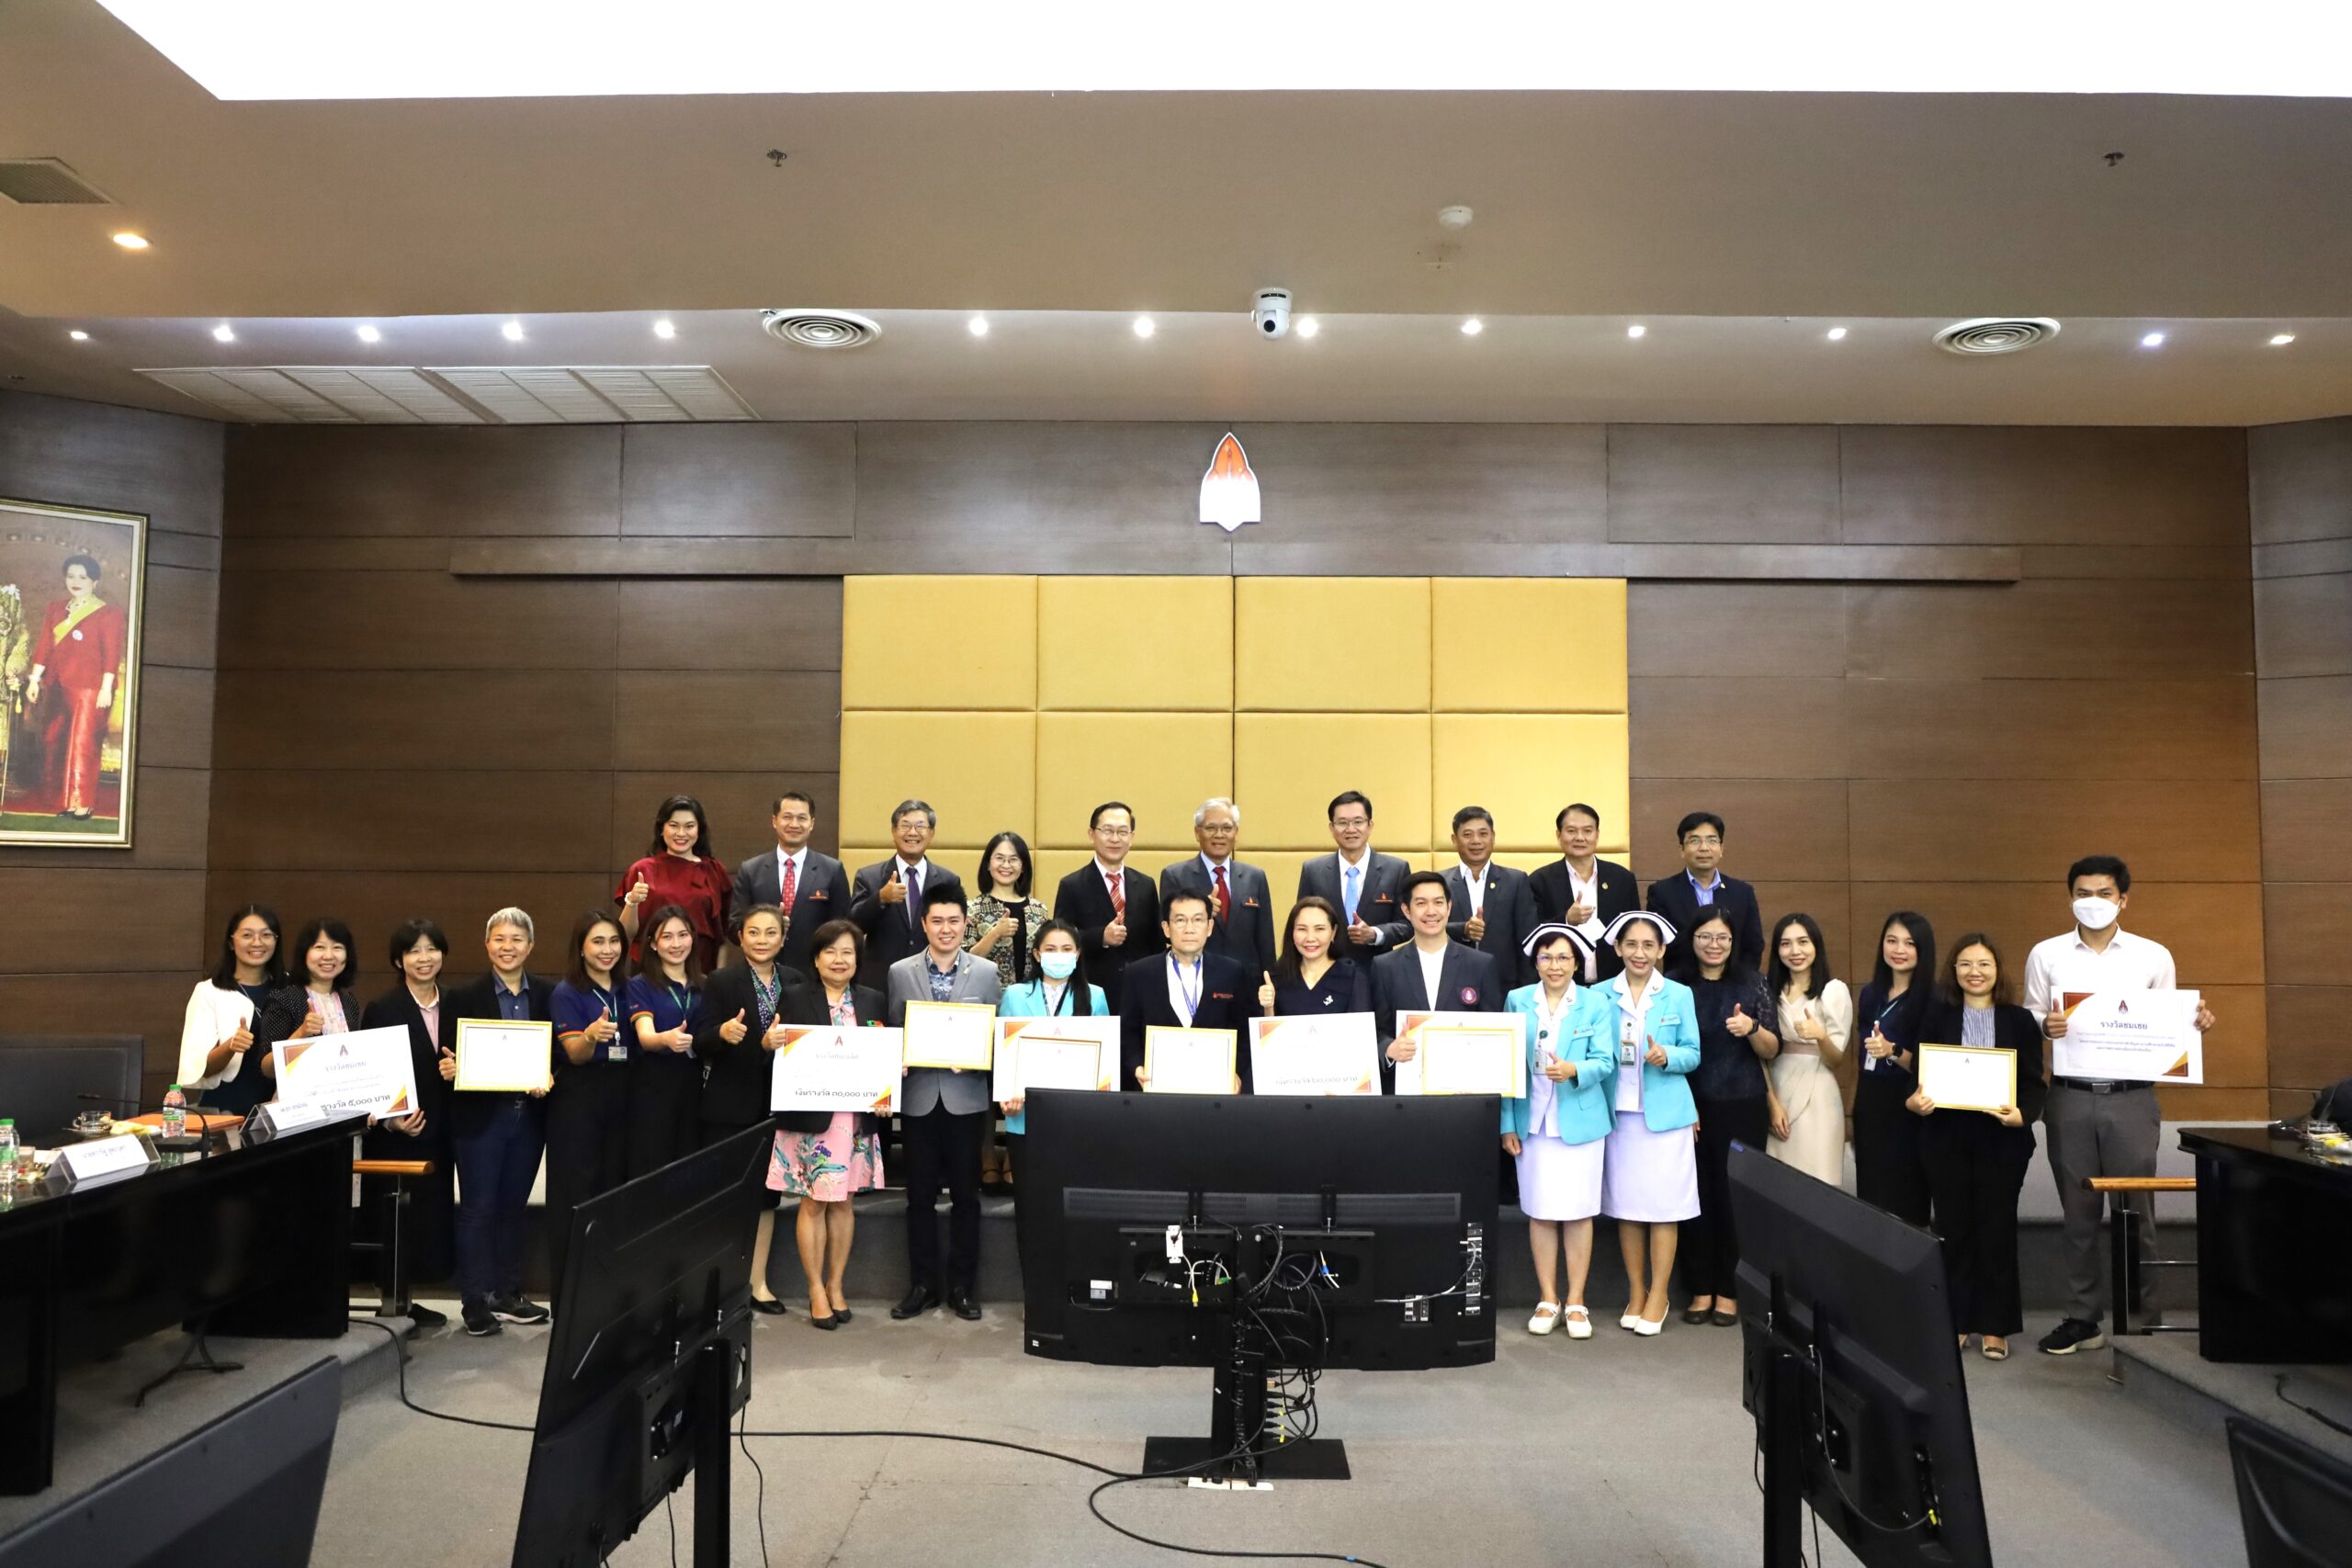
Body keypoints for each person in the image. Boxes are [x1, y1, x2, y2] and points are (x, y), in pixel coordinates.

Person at [2023, 855, 2215, 1356]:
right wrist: (2045, 1024)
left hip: (2131, 1099)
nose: (2093, 901)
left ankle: (2143, 1323)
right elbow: (2030, 1014)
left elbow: (2170, 1022)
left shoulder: (2152, 956)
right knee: (2078, 1214)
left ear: (2123, 899)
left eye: (2104, 893)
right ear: (2070, 898)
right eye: (2083, 893)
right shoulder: (2046, 954)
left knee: (2136, 1212)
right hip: (2069, 1096)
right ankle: (2082, 1318)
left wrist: (2195, 1023)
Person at [1911, 933, 2048, 1360]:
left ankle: (1994, 1325)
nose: (1975, 972)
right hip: (1946, 1138)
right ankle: (1956, 1321)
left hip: (2001, 1138)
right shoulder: (1937, 1016)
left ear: (1997, 970)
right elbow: (1920, 1075)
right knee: (1953, 1230)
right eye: (1966, 964)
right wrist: (1918, 1101)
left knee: (1996, 1230)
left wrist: (2023, 1114)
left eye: (1984, 964)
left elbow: (2033, 1081)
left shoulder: (2019, 1021)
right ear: (1954, 971)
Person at [886, 882, 1004, 1321]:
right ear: (924, 924)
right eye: (937, 921)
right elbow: (895, 1030)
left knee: (966, 1198)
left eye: (954, 920)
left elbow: (995, 1036)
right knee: (918, 1197)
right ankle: (922, 1285)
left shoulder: (986, 973)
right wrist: (896, 1061)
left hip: (966, 1099)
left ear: (966, 923)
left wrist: (975, 1057)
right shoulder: (900, 972)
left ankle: (962, 1287)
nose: (946, 928)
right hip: (918, 1098)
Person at [1501, 926, 1617, 1340]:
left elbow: (1606, 1062)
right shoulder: (1517, 999)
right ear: (1536, 962)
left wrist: (1574, 1070)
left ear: (1577, 963)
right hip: (1532, 1123)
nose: (1555, 965)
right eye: (1546, 957)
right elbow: (1506, 1065)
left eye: (1564, 957)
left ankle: (1577, 1300)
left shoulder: (1596, 1003)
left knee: (1579, 1212)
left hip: (1581, 1121)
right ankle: (1548, 1298)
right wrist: (1507, 1123)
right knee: (1541, 1211)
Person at [443, 908, 555, 1337]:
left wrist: (550, 1075)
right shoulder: (463, 996)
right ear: (487, 944)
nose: (508, 947)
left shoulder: (548, 994)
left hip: (529, 1117)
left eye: (517, 939)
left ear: (530, 946)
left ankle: (507, 1293)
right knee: (478, 1209)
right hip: (480, 1119)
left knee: (513, 1208)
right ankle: (474, 1301)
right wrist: (452, 1067)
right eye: (500, 939)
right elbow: (449, 1055)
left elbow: (558, 1052)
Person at [695, 904, 808, 1317]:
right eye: (754, 932)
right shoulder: (721, 981)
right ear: (740, 937)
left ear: (783, 938)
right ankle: (720, 1286)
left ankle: (758, 1284)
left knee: (765, 1199)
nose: (762, 940)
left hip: (778, 1105)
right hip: (730, 1107)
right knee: (726, 1198)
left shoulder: (796, 980)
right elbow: (701, 1040)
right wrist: (724, 1034)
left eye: (771, 932)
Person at [1595, 910, 1702, 1337]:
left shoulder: (1678, 994)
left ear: (1661, 950)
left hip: (1666, 1117)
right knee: (1628, 1208)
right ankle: (1636, 1291)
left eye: (1648, 946)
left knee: (1664, 1209)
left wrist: (1667, 1056)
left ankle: (1659, 1293)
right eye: (1631, 944)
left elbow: (1693, 1053)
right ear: (1618, 948)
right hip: (1620, 1115)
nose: (1639, 953)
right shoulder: (1599, 994)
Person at [775, 919, 886, 1327]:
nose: (839, 960)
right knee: (813, 1201)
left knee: (844, 1202)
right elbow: (780, 1051)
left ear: (857, 960)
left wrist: (887, 1088)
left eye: (847, 953)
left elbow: (883, 1055)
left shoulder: (873, 1000)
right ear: (816, 960)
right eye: (830, 952)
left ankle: (836, 1285)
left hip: (855, 1118)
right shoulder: (795, 997)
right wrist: (770, 1042)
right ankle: (814, 1289)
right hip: (811, 1118)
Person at [1674, 907, 1779, 1326]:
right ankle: (1700, 1288)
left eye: (1722, 937)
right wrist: (1685, 1104)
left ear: (1733, 942)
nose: (1713, 945)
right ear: (1692, 939)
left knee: (1734, 1199)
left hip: (1743, 1104)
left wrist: (1751, 1029)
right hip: (1691, 1107)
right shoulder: (1677, 985)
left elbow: (1773, 1049)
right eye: (1705, 936)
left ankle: (1730, 1291)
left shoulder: (1753, 983)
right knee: (1696, 1196)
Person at [359, 919, 458, 1325]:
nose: (424, 958)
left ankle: (408, 1301)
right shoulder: (383, 1007)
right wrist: (391, 1122)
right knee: (395, 1220)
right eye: (414, 951)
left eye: (431, 949)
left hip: (442, 1129)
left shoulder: (455, 1002)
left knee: (427, 1220)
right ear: (399, 960)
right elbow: (370, 1073)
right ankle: (392, 1303)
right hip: (397, 1134)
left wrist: (460, 1067)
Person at [998, 920, 1104, 1261]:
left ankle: (1070, 1281)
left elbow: (1103, 1058)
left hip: (1077, 1120)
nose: (1059, 956)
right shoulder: (1015, 995)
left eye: (1066, 949)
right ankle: (1034, 1283)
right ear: (1036, 954)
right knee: (1030, 1207)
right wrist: (1006, 1094)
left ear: (1078, 954)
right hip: (1024, 1118)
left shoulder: (1095, 996)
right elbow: (1004, 1052)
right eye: (1051, 949)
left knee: (1072, 1207)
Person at [547, 911, 632, 1302]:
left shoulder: (628, 988)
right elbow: (575, 1055)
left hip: (621, 1097)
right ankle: (570, 1297)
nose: (607, 950)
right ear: (581, 948)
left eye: (614, 941)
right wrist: (591, 1035)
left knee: (613, 1191)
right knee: (575, 1195)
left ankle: (607, 1292)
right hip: (578, 1101)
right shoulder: (566, 993)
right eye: (597, 941)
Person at [1372, 871, 1506, 1092]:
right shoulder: (1385, 966)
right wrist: (1388, 1049)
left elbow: (1494, 1032)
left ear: (1449, 907)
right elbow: (1378, 1031)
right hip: (1406, 1094)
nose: (1431, 911)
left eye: (1438, 902)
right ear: (1406, 910)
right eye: (1421, 903)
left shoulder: (1481, 964)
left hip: (1466, 1091)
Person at [1121, 888, 1260, 1091]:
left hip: (1215, 1089)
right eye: (1180, 920)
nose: (1189, 929)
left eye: (1198, 920)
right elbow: (1127, 1032)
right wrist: (1137, 1067)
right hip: (1157, 1088)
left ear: (1209, 927)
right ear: (1166, 928)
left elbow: (1246, 1032)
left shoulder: (1232, 972)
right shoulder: (1139, 973)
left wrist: (1235, 1071)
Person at [22, 554, 127, 819]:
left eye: (82, 577)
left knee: (82, 743)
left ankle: (82, 804)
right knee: (53, 739)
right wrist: (34, 680)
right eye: (71, 576)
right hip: (57, 684)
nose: (75, 581)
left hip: (91, 688)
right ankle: (60, 799)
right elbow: (45, 645)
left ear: (95, 581)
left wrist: (106, 688)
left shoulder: (108, 613)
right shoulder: (55, 608)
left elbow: (112, 653)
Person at [1852, 912, 1938, 1225]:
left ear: (1923, 949)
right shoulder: (1870, 993)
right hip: (1871, 1099)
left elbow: (1932, 1063)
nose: (1899, 949)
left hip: (1908, 1103)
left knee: (1906, 1194)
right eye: (1892, 941)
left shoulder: (1933, 999)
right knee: (1871, 1193)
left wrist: (1893, 1051)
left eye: (1909, 943)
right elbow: (1861, 1055)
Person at [1765, 912, 1851, 1187]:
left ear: (1816, 945)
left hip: (1819, 1094)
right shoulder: (1768, 991)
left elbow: (1836, 1060)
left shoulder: (1833, 991)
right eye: (1786, 944)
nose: (1795, 951)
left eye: (1803, 942)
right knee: (1778, 1183)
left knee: (1818, 1181)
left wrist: (1821, 1036)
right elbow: (1761, 1055)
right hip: (1777, 1088)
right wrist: (1771, 1102)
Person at [1052, 800, 1164, 1009]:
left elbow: (1156, 944)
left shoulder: (1146, 884)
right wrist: (1100, 937)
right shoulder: (1072, 885)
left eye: (1122, 832)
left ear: (1132, 837)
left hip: (1140, 993)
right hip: (1091, 993)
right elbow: (1060, 940)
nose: (1115, 838)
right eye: (1107, 831)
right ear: (1091, 834)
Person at [730, 790, 852, 981]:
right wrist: (768, 925)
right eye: (787, 817)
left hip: (813, 975)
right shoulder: (751, 870)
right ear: (775, 821)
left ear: (812, 823)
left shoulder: (832, 870)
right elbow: (734, 926)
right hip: (761, 975)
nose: (794, 824)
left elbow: (843, 927)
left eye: (801, 818)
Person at [178, 903, 287, 1115]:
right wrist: (230, 1046)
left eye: (266, 935)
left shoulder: (290, 988)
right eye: (247, 935)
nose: (257, 942)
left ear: (276, 941)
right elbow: (199, 1068)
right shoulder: (209, 991)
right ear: (231, 942)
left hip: (283, 1108)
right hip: (227, 1108)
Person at [1159, 798, 1277, 991]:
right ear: (1197, 832)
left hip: (1247, 983)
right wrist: (1200, 911)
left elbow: (1265, 940)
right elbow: (1165, 932)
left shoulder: (1255, 876)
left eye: (1227, 828)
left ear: (1236, 833)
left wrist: (1271, 983)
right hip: (1196, 981)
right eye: (1211, 828)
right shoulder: (1176, 876)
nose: (1219, 835)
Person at [849, 798, 966, 991]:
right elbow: (853, 926)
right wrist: (880, 899)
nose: (912, 832)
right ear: (894, 831)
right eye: (905, 826)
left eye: (920, 826)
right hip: (880, 981)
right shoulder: (869, 877)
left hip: (932, 980)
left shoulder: (948, 880)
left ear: (931, 833)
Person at [624, 903, 705, 1177]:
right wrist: (665, 1039)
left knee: (688, 1165)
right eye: (667, 937)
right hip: (653, 1084)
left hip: (694, 1084)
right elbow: (645, 1036)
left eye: (683, 935)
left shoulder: (705, 984)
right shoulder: (640, 984)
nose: (676, 944)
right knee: (652, 1165)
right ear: (653, 944)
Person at [616, 794, 732, 977]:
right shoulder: (642, 870)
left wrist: (718, 978)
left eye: (689, 826)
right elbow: (625, 933)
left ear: (699, 830)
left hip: (700, 971)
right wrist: (632, 902)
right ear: (661, 829)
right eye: (673, 825)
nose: (681, 833)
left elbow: (723, 936)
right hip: (650, 972)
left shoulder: (715, 871)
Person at [1529, 803, 1640, 985]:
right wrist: (1566, 920)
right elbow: (1532, 935)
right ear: (1559, 835)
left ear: (1597, 835)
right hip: (1561, 985)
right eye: (1571, 831)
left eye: (1587, 831)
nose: (1580, 838)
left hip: (1613, 984)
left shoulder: (1622, 879)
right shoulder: (1540, 881)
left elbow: (1634, 931)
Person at [1643, 811, 1765, 975]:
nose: (1704, 848)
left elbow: (1753, 946)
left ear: (1721, 849)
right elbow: (1659, 944)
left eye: (1711, 840)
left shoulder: (1742, 893)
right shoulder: (1662, 892)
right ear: (1682, 849)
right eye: (1695, 841)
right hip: (1682, 983)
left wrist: (1739, 983)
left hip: (1733, 984)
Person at [254, 916, 361, 1094]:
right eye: (319, 947)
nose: (328, 956)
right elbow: (268, 1069)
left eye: (337, 948)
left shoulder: (349, 1001)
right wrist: (301, 1033)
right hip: (299, 1105)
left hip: (343, 1102)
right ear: (304, 953)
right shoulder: (283, 999)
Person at [1295, 790, 1410, 958]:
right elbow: (1302, 921)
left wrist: (1375, 934)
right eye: (1342, 823)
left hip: (1377, 968)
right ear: (1331, 828)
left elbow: (1407, 924)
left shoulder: (1396, 869)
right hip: (1327, 966)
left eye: (1358, 822)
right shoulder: (1313, 871)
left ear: (1370, 825)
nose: (1350, 829)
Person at [1445, 806, 1540, 990]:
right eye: (1467, 835)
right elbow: (1427, 930)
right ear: (1454, 840)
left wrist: (1526, 991)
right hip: (1452, 985)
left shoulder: (1515, 881)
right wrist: (1463, 930)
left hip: (1504, 987)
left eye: (1483, 834)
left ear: (1493, 837)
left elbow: (1528, 940)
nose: (1476, 841)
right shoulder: (1439, 882)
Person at [1258, 897, 1375, 1018]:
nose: (1310, 938)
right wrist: (1268, 1008)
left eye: (1319, 929)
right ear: (1292, 932)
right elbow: (1267, 1029)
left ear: (1333, 932)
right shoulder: (1276, 978)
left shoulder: (1353, 977)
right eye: (1302, 929)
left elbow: (1360, 1028)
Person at [965, 831, 1049, 988]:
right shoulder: (972, 910)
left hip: (1031, 996)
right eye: (1000, 858)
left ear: (1023, 866)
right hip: (988, 996)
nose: (1006, 865)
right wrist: (995, 933)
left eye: (1013, 859)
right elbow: (964, 963)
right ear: (988, 864)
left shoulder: (1039, 910)